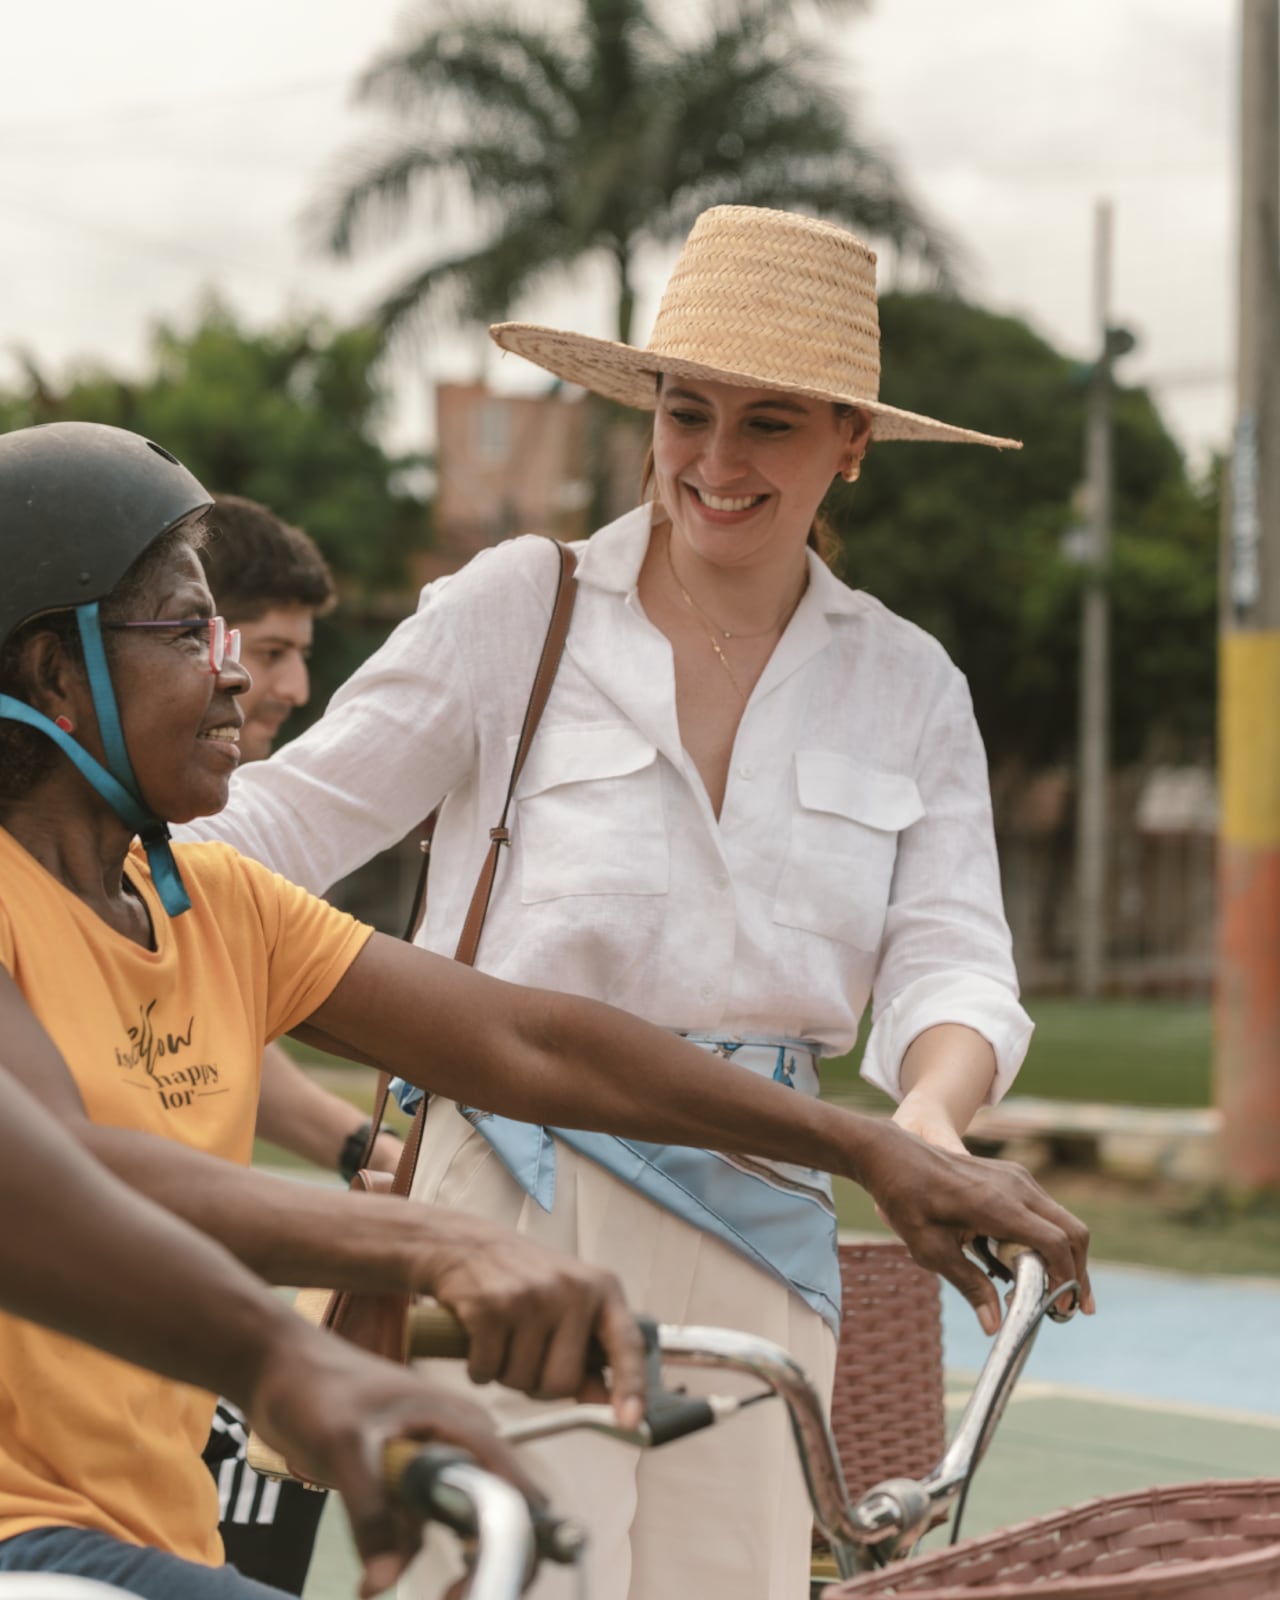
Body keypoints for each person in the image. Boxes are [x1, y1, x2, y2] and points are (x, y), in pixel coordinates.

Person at [0, 416, 1087, 1600]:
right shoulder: (522, 603)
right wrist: (435, 1242)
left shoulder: (208, 902)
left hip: (159, 1536)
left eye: (225, 633)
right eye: (188, 631)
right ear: (57, 672)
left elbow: (526, 1035)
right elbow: (70, 1175)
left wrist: (872, 1141)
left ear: (847, 444)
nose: (236, 674)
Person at [0, 1057, 537, 1600]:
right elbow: (63, 1163)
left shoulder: (230, 969)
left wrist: (371, 1152)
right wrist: (429, 1245)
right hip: (32, 1518)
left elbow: (514, 1038)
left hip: (149, 1520)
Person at [197, 493, 400, 1592]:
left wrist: (350, 1147)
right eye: (268, 650)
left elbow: (216, 1029)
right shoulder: (103, 843)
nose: (291, 688)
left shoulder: (212, 860)